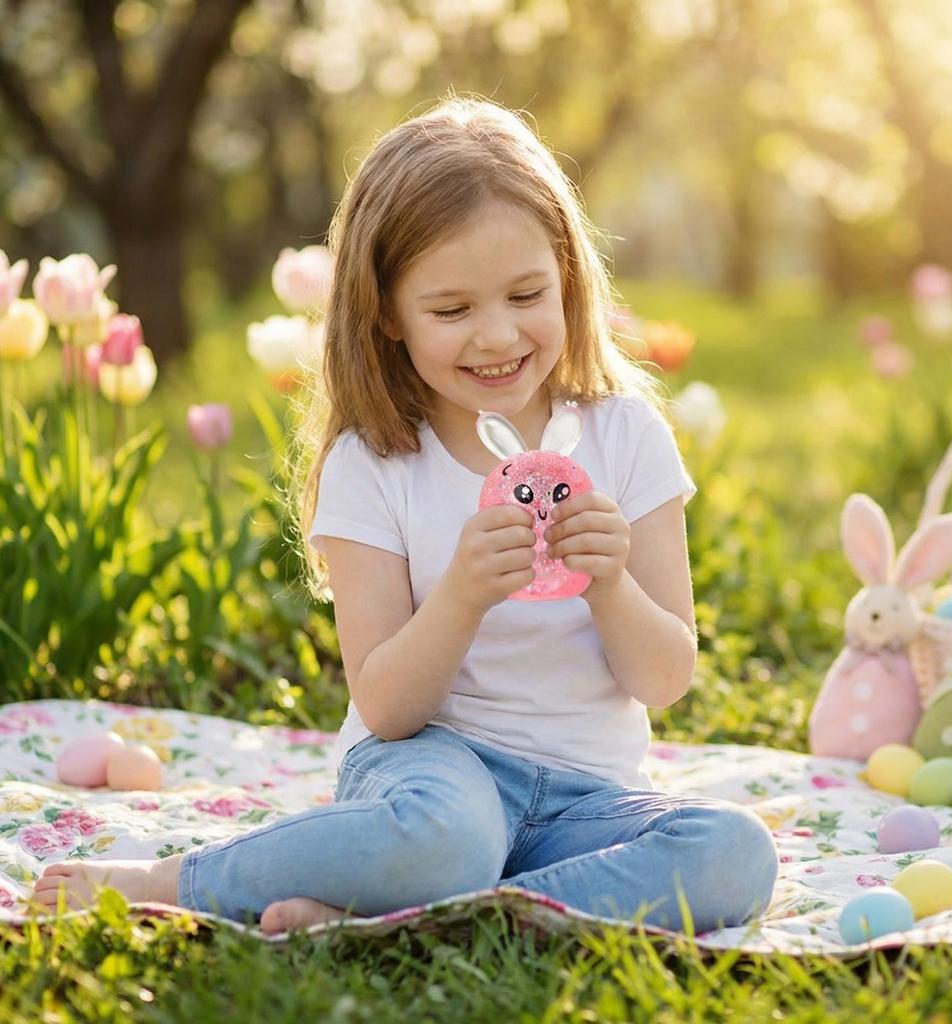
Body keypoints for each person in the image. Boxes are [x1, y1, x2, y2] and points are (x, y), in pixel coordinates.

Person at [32, 96, 777, 936]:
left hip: (587, 802)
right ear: (386, 312)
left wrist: (608, 584)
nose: (496, 336)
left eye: (526, 294)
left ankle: (445, 916)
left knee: (732, 852)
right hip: (431, 774)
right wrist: (460, 593)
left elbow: (665, 678)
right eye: (452, 311)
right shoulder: (376, 462)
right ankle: (176, 880)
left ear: (568, 275)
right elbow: (387, 709)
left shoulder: (626, 433)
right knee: (446, 839)